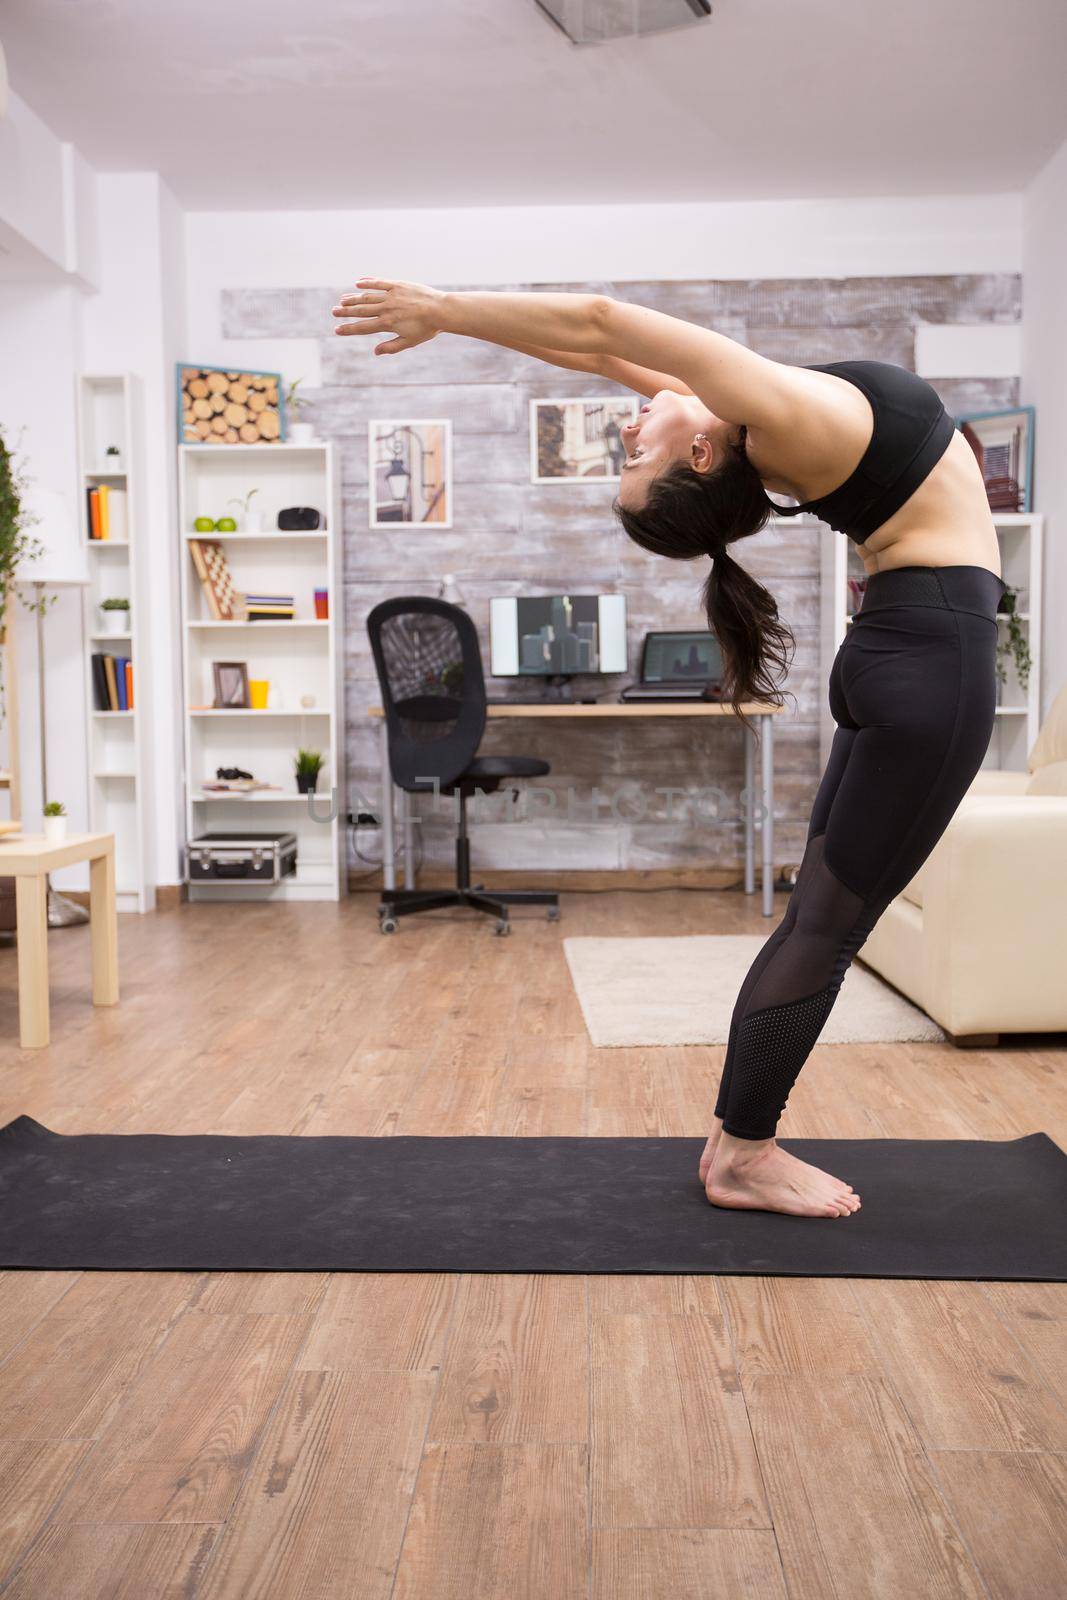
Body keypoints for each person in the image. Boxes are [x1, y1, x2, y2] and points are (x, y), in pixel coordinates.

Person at [333, 280, 1007, 1219]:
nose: (623, 434)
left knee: (813, 921)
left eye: (622, 450)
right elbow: (602, 321)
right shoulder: (775, 416)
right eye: (638, 454)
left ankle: (739, 1139)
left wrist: (471, 326)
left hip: (892, 649)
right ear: (699, 450)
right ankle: (743, 1154)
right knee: (823, 930)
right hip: (932, 659)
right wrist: (442, 310)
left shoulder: (753, 420)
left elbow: (597, 352)